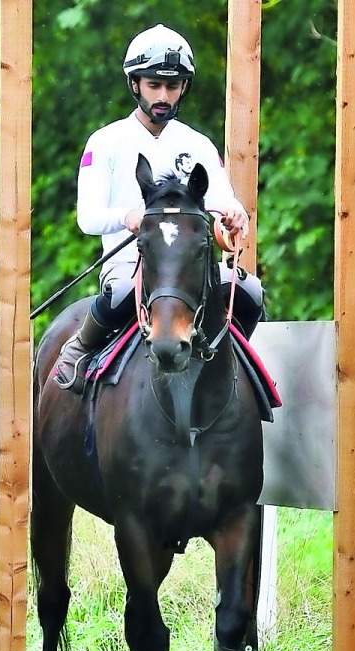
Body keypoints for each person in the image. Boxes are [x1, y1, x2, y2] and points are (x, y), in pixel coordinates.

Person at [54, 25, 252, 393]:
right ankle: (78, 348)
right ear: (135, 85)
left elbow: (223, 203)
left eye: (173, 86)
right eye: (154, 85)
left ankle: (240, 372)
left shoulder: (199, 144)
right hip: (130, 267)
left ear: (184, 88)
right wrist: (127, 217)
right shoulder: (105, 142)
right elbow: (87, 218)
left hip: (193, 271)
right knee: (118, 299)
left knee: (252, 295)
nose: (164, 96)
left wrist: (235, 215)